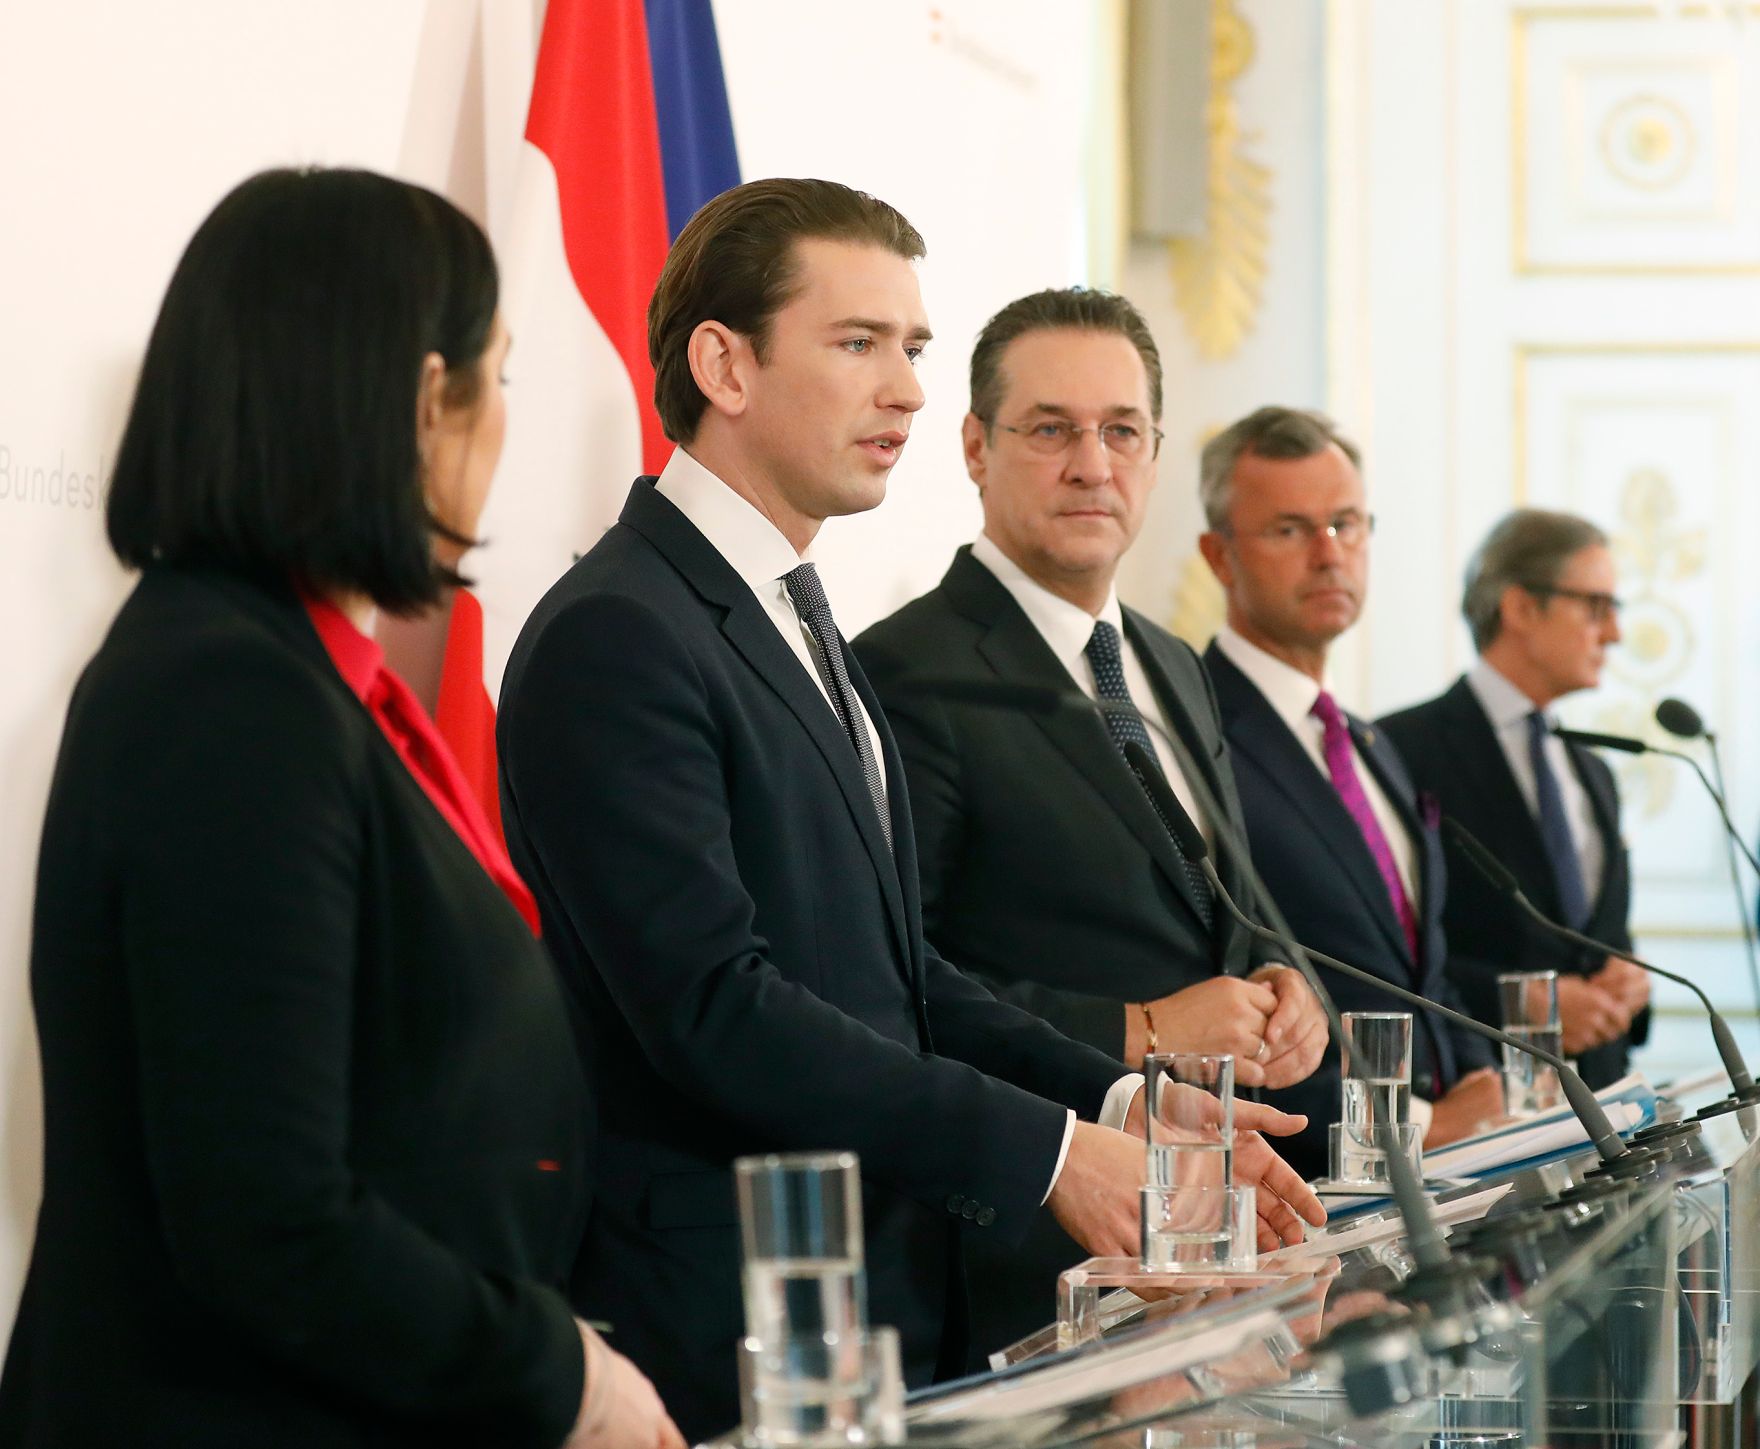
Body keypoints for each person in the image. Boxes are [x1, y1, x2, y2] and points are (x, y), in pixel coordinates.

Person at [496, 180, 1325, 1439]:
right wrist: (1051, 1157)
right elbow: (717, 1007)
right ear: (721, 362)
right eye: (857, 344)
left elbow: (898, 978)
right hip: (726, 1312)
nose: (906, 390)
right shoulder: (622, 630)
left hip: (880, 1297)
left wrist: (1116, 1103)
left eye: (914, 349)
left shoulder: (793, 612)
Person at [0, 168, 682, 1449]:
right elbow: (265, 1214)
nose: (502, 424)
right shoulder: (229, 700)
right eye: (500, 377)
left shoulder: (276, 672)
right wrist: (557, 1374)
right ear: (428, 400)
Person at [853, 289, 1327, 1356]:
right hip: (1031, 1251)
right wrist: (1143, 1032)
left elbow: (1221, 902)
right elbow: (898, 982)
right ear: (975, 447)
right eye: (1050, 429)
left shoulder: (1170, 663)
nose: (1090, 464)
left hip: (1204, 1232)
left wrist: (1287, 986)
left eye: (1120, 431)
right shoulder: (904, 671)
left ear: (1154, 454)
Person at [1194, 407, 1502, 1177]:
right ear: (1219, 555)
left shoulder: (1369, 741)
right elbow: (1221, 983)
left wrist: (1490, 1089)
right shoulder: (1196, 734)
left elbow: (1418, 970)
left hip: (1452, 1184)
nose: (1330, 554)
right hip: (1313, 1185)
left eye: (1347, 524)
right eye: (1291, 530)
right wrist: (1422, 1124)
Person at [1381, 509, 1649, 1088]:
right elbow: (1383, 949)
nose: (1614, 634)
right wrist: (1524, 1003)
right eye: (1596, 608)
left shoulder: (1594, 770)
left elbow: (1601, 938)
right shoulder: (1398, 749)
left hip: (1606, 1097)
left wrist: (1630, 984)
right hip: (1479, 1099)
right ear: (1522, 608)